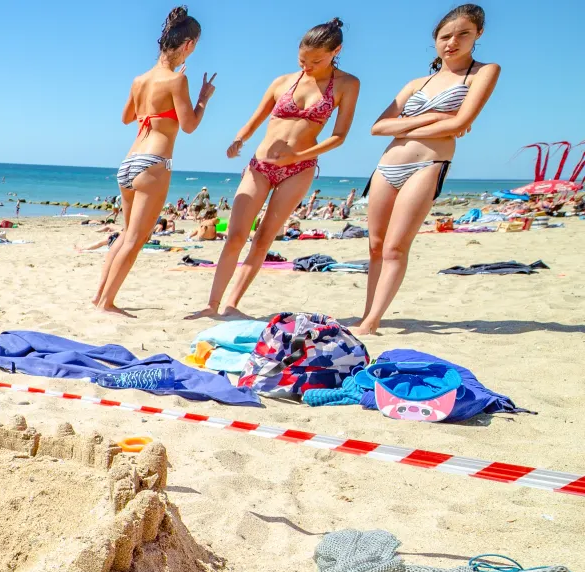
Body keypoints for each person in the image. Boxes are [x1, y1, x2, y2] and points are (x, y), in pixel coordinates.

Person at [191, 19, 360, 318]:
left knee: (264, 237)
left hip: (300, 167)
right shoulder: (283, 81)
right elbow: (257, 118)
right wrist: (239, 138)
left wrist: (295, 158)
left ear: (337, 51)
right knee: (235, 235)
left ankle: (232, 305)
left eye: (316, 61)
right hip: (260, 164)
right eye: (302, 60)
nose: (307, 66)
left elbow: (339, 136)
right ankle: (211, 304)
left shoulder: (347, 84)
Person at [352, 4, 499, 335]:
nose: (452, 42)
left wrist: (406, 126)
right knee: (375, 246)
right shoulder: (417, 82)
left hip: (428, 164)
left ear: (479, 35)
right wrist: (437, 120)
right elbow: (377, 128)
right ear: (436, 40)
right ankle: (367, 315)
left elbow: (463, 121)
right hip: (386, 166)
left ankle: (373, 321)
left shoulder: (484, 72)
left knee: (395, 247)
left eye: (463, 34)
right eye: (445, 36)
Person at [93, 8, 212, 316]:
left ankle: (99, 297)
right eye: (195, 44)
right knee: (136, 237)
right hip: (154, 161)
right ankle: (107, 303)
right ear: (187, 45)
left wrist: (151, 112)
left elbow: (126, 117)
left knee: (126, 233)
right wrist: (203, 99)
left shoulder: (140, 80)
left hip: (129, 160)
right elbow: (189, 125)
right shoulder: (176, 81)